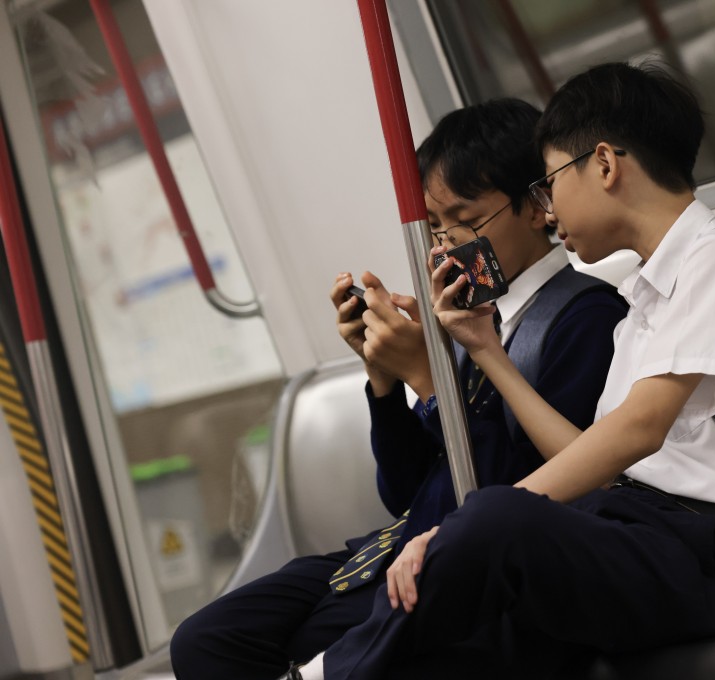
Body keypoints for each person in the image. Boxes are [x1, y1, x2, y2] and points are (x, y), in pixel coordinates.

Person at [322, 62, 715, 679]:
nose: (547, 207)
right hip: (631, 528)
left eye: (552, 180)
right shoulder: (646, 295)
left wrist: (466, 528)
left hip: (705, 553)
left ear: (605, 165)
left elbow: (638, 430)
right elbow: (593, 461)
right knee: (464, 648)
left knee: (493, 521)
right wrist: (486, 350)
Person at [168, 98, 626, 680]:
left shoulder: (584, 320)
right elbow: (405, 489)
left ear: (537, 206)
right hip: (389, 548)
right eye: (435, 227)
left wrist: (429, 381)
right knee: (206, 641)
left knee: (305, 643)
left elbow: (516, 498)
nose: (444, 245)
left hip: (464, 573)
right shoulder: (463, 320)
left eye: (465, 221)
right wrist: (383, 378)